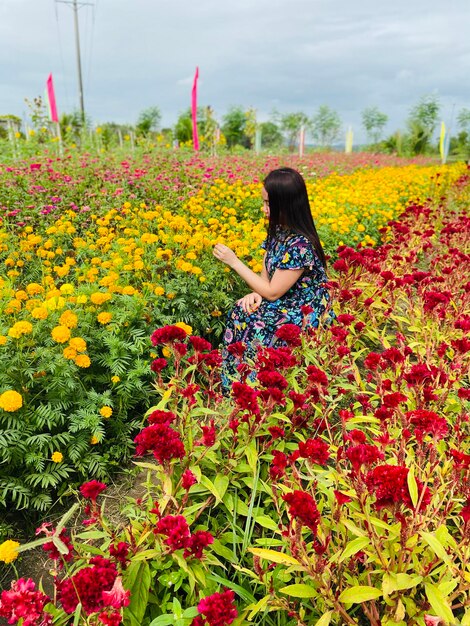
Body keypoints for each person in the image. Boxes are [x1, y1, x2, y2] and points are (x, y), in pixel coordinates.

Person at [213, 166, 333, 389]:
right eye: (264, 202)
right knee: (241, 310)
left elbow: (273, 291)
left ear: (286, 205)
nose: (264, 209)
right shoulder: (278, 231)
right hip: (283, 298)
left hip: (304, 309)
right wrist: (255, 293)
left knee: (257, 323)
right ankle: (234, 384)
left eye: (269, 204)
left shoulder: (300, 244)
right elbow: (266, 280)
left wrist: (234, 261)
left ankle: (259, 386)